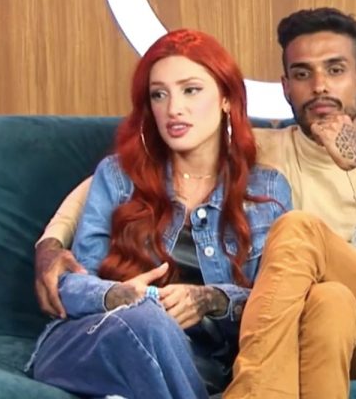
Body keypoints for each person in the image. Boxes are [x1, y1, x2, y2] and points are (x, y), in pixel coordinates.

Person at [35, 8, 356, 398]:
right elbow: (116, 179)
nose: (320, 86)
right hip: (315, 323)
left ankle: (254, 390)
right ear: (285, 86)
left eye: (335, 70)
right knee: (330, 299)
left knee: (299, 231)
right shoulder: (259, 150)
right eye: (302, 73)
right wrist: (50, 243)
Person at [28, 29, 292, 399]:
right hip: (99, 340)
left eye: (191, 90)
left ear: (226, 98)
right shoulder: (117, 177)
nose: (173, 108)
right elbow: (70, 285)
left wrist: (210, 299)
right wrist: (119, 296)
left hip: (200, 360)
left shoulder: (266, 188)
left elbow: (274, 302)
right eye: (159, 94)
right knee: (146, 320)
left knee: (157, 334)